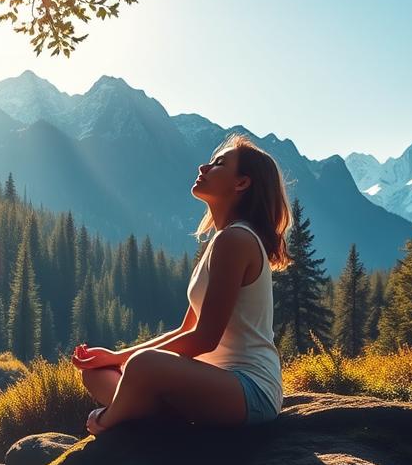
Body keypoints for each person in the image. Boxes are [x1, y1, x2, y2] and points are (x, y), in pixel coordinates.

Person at [71, 134, 291, 434]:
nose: (203, 167)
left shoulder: (236, 240)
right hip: (209, 384)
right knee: (96, 373)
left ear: (241, 183)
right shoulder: (221, 240)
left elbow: (203, 339)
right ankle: (153, 416)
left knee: (143, 366)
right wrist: (114, 357)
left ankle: (108, 419)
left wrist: (134, 362)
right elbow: (185, 330)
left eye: (218, 164)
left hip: (250, 391)